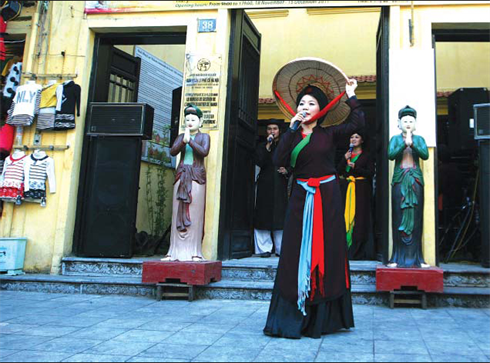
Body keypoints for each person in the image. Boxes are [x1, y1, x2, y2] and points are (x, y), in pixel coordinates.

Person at [264, 64, 364, 339]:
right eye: (302, 103)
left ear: (321, 109)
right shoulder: (292, 134)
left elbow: (358, 124)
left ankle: (325, 317)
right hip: (299, 197)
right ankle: (293, 313)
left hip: (328, 197)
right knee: (295, 252)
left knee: (328, 250)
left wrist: (351, 95)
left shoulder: (329, 133)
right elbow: (278, 161)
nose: (306, 107)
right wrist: (290, 128)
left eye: (311, 103)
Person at [162, 104, 210, 262]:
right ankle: (174, 251)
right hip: (182, 176)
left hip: (196, 178)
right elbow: (173, 151)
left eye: (193, 119)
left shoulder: (204, 137)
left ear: (200, 121)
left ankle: (194, 251)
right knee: (177, 212)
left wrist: (190, 142)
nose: (190, 122)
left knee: (194, 213)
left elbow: (203, 152)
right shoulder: (182, 136)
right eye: (187, 119)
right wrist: (184, 140)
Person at [388, 105, 430, 268]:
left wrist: (412, 144)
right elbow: (391, 155)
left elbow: (425, 155)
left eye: (410, 121)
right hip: (400, 180)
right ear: (399, 123)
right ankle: (396, 257)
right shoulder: (395, 139)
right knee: (398, 216)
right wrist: (403, 143)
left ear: (415, 123)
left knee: (416, 218)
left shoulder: (419, 139)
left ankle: (418, 258)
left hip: (415, 181)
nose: (407, 123)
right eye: (404, 121)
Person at [338, 131, 376, 260]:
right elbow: (338, 171)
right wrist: (344, 159)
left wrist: (356, 167)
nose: (353, 139)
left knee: (359, 218)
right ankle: (344, 248)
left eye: (357, 137)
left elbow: (370, 173)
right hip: (346, 189)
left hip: (361, 190)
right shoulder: (347, 154)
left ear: (362, 140)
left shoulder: (367, 155)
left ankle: (358, 251)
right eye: (351, 137)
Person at [254, 119, 289, 258]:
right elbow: (258, 161)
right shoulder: (262, 146)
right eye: (269, 129)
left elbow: (294, 161)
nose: (272, 131)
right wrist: (267, 147)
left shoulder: (285, 146)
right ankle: (264, 249)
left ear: (279, 131)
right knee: (263, 214)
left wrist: (288, 170)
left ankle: (281, 249)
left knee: (280, 214)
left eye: (275, 129)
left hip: (280, 182)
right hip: (265, 183)